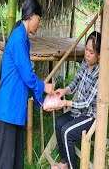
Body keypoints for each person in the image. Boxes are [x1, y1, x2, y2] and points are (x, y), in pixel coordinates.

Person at [0, 0, 55, 169]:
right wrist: (45, 87)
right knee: (4, 164)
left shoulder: (23, 39)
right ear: (31, 15)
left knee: (15, 163)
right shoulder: (18, 38)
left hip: (14, 111)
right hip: (8, 111)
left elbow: (24, 78)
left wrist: (40, 98)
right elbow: (28, 75)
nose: (39, 24)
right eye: (39, 20)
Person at [45, 31, 101, 169]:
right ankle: (64, 162)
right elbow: (75, 82)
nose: (87, 54)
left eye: (91, 52)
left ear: (99, 55)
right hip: (78, 111)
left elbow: (87, 102)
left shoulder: (101, 73)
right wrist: (64, 91)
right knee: (59, 123)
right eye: (86, 50)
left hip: (91, 116)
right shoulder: (85, 63)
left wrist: (66, 102)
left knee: (67, 132)